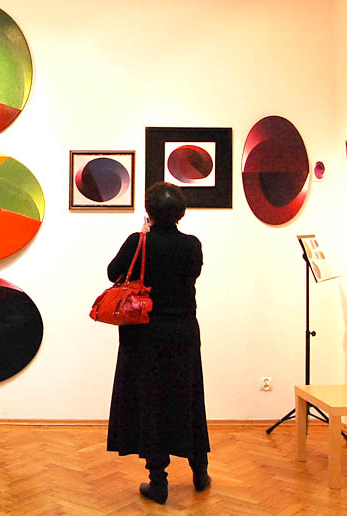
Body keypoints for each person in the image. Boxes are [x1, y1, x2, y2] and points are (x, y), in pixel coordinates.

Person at [105, 182, 210, 505]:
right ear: (181, 212)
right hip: (183, 334)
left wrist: (144, 236)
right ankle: (200, 471)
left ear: (149, 210)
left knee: (150, 402)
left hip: (144, 335)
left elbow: (112, 273)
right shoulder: (191, 245)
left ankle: (158, 481)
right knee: (188, 398)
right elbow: (192, 274)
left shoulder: (138, 242)